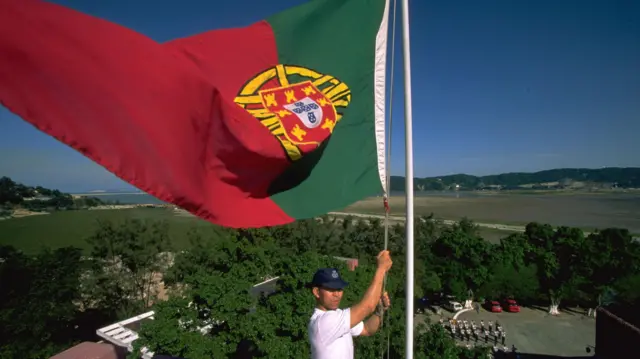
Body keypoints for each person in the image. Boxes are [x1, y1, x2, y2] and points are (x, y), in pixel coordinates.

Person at [308, 250, 393, 359]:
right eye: (330, 289)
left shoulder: (337, 316)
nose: (337, 294)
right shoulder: (322, 322)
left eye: (339, 289)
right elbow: (368, 306)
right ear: (316, 292)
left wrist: (379, 310)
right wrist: (381, 269)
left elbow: (367, 329)